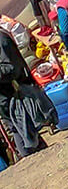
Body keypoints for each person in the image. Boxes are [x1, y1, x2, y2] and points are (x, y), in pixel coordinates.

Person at [0, 26, 54, 157]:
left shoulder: (2, 39)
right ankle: (36, 159)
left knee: (24, 130)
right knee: (20, 130)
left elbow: (12, 66)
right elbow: (11, 68)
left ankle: (40, 158)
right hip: (9, 97)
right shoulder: (1, 39)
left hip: (10, 94)